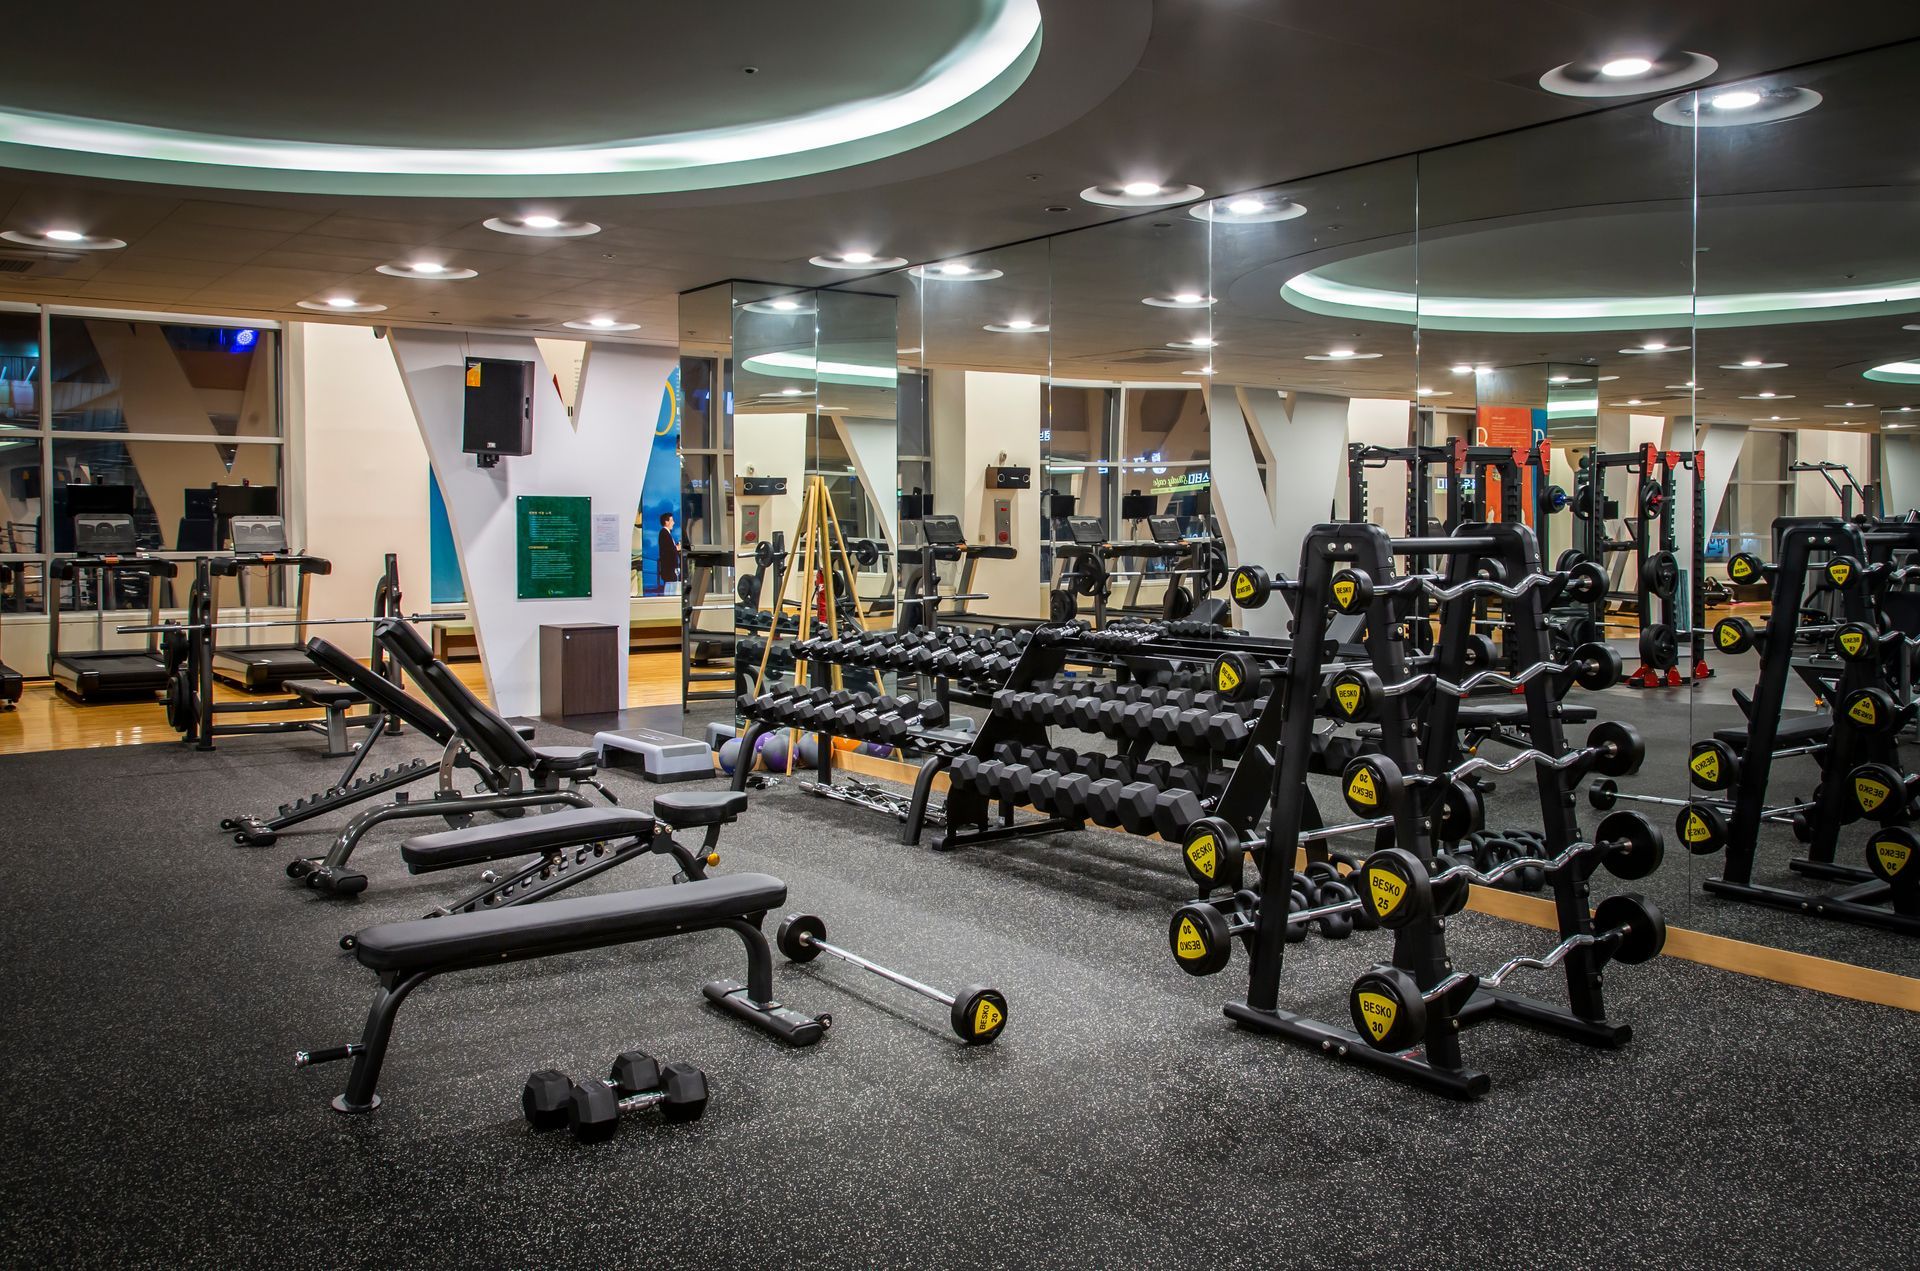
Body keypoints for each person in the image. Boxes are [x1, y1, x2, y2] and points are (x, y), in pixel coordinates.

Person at [657, 511, 681, 596]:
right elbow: (667, 550)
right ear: (666, 522)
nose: (674, 522)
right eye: (672, 520)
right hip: (669, 569)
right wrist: (677, 548)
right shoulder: (664, 533)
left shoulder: (666, 533)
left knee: (671, 589)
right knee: (670, 591)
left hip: (670, 570)